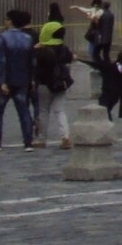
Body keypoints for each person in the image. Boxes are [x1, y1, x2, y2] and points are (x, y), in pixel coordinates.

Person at [0, 10, 36, 151]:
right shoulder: (28, 39)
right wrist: (32, 79)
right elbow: (32, 62)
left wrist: (2, 81)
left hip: (6, 80)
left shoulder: (3, 37)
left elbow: (2, 61)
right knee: (24, 111)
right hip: (22, 80)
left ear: (10, 21)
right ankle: (28, 142)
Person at [32, 22, 76, 150]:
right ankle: (65, 137)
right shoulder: (63, 48)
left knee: (43, 111)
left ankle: (41, 139)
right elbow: (69, 59)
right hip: (60, 83)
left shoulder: (41, 50)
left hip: (44, 83)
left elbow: (35, 67)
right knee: (60, 110)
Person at [101, 50, 122, 119]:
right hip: (116, 90)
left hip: (107, 88)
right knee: (108, 107)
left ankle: (106, 114)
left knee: (106, 105)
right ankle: (115, 114)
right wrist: (121, 114)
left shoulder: (113, 65)